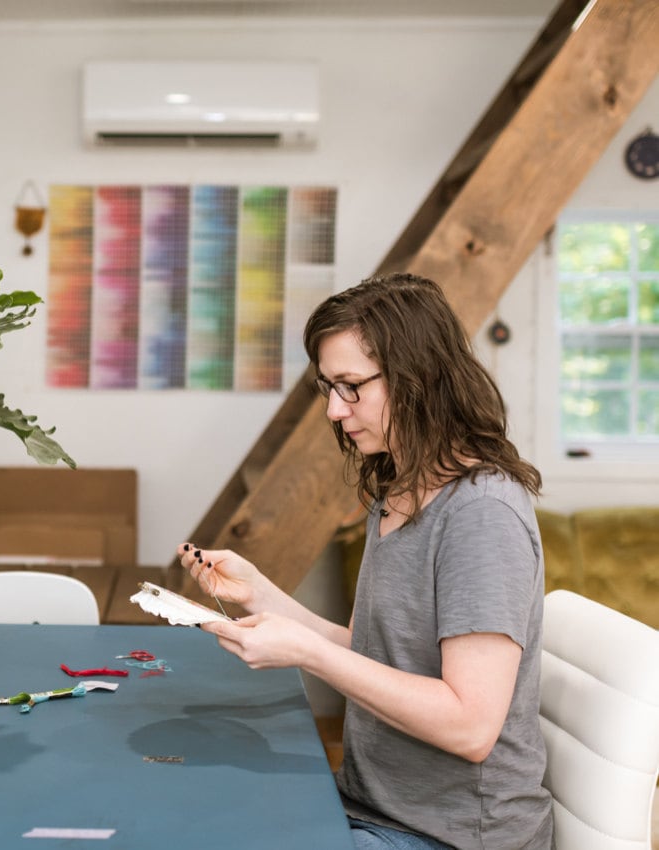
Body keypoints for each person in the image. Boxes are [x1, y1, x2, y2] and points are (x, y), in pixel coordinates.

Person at [178, 272, 552, 850]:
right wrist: (261, 595)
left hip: (450, 837)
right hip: (374, 807)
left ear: (418, 378)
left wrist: (305, 654)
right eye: (328, 386)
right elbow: (376, 653)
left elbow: (470, 726)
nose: (334, 409)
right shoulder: (398, 491)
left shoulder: (482, 515)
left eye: (351, 385)